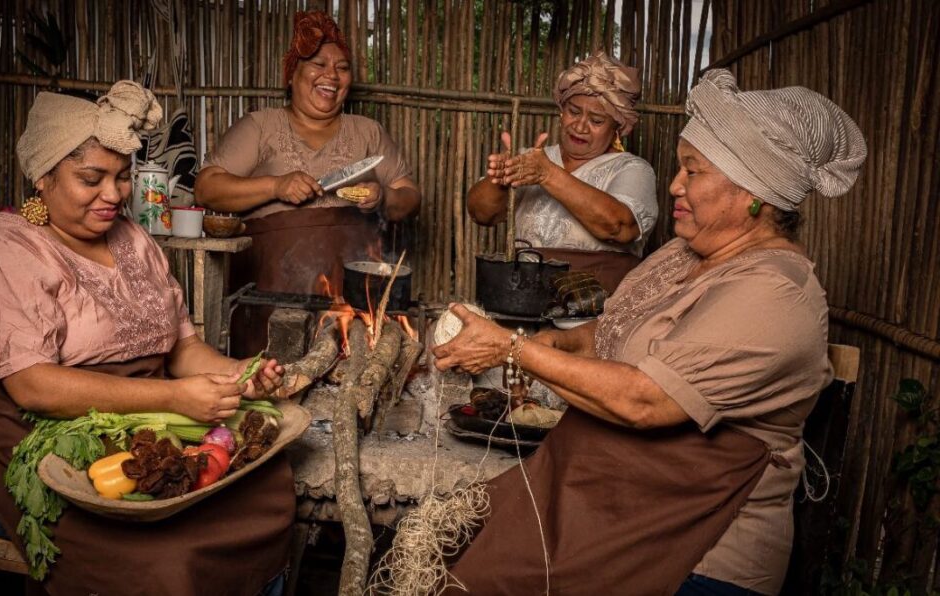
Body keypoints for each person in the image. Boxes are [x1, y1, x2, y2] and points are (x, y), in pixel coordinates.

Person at [434, 69, 867, 595]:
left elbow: (647, 401)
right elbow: (617, 328)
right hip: (613, 501)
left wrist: (514, 348)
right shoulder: (684, 253)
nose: (675, 184)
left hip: (693, 546)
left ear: (753, 192)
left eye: (693, 171)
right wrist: (559, 342)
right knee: (459, 546)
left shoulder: (777, 294)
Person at [0, 81, 294, 596]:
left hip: (134, 433)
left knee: (263, 495)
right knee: (165, 555)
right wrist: (173, 398)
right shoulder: (8, 250)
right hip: (20, 451)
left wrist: (237, 373)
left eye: (123, 177)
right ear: (43, 177)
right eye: (91, 178)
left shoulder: (133, 239)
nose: (113, 194)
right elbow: (32, 386)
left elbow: (181, 348)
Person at [195, 10, 421, 355]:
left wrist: (384, 197)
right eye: (318, 64)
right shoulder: (260, 126)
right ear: (292, 74)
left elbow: (411, 197)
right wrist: (275, 186)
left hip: (351, 303)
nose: (332, 75)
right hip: (270, 296)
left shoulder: (367, 132)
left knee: (352, 365)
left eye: (342, 67)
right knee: (270, 370)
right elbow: (206, 188)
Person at [466, 52, 657, 293]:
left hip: (597, 306)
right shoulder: (531, 161)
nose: (580, 126)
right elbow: (480, 214)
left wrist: (548, 174)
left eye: (596, 121)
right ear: (561, 111)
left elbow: (619, 227)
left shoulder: (632, 169)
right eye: (574, 112)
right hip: (523, 299)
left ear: (617, 127)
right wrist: (500, 180)